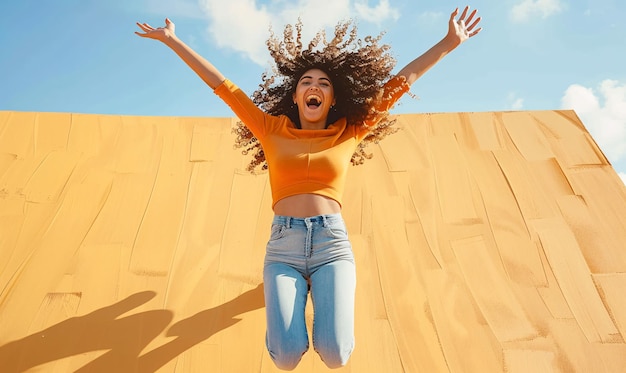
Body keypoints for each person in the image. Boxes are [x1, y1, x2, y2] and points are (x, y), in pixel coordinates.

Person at [136, 6, 481, 370]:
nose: (314, 87)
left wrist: (449, 42)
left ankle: (315, 292)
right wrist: (173, 41)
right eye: (306, 83)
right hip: (283, 246)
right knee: (285, 358)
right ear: (296, 97)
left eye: (324, 84)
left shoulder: (350, 129)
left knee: (336, 355)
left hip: (331, 244)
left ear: (333, 99)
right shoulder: (271, 129)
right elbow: (223, 86)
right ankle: (290, 296)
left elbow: (400, 83)